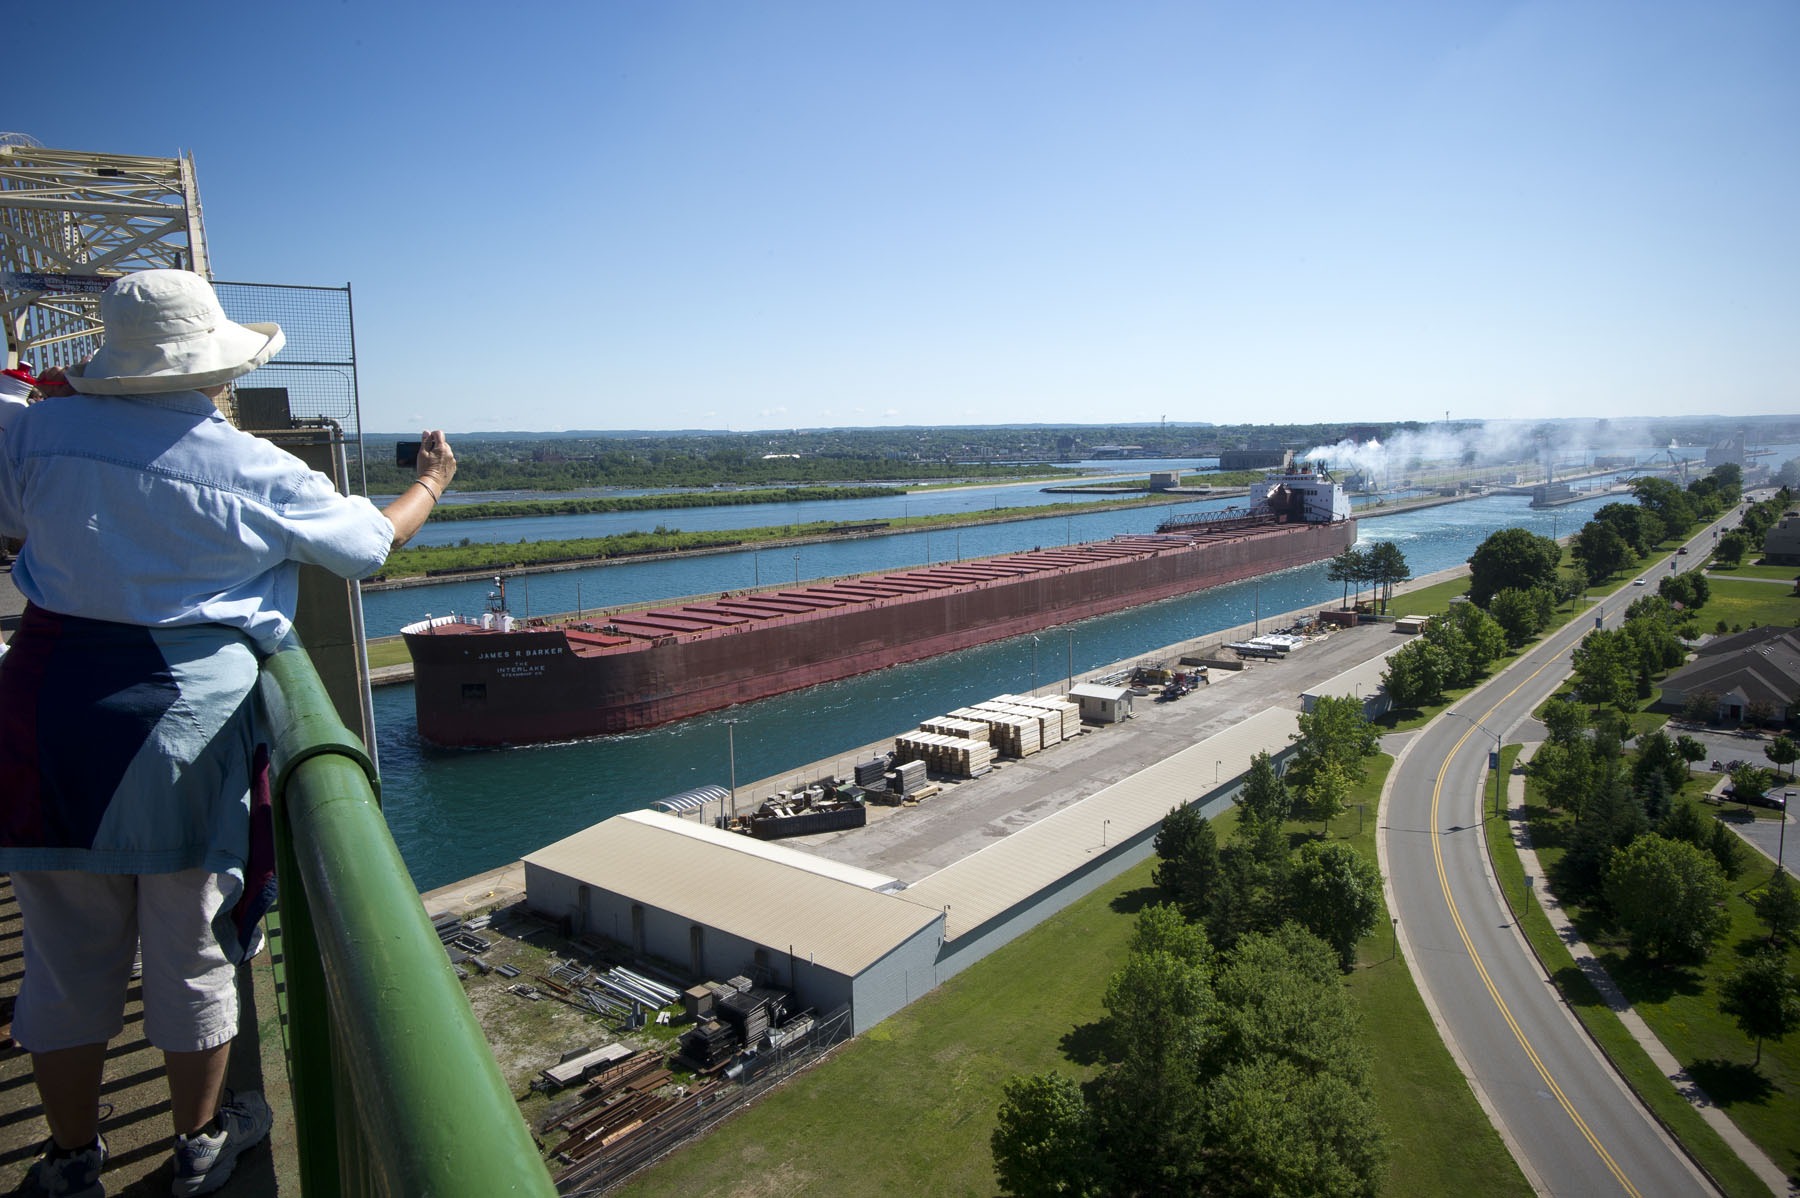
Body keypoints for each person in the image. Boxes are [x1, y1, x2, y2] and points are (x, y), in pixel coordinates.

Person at [0, 269, 455, 1197]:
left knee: (62, 958)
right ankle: (203, 1141)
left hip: (40, 713)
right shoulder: (245, 464)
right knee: (192, 949)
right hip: (177, 730)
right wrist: (432, 484)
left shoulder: (36, 433)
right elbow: (368, 544)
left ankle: (69, 1160)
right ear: (214, 369)